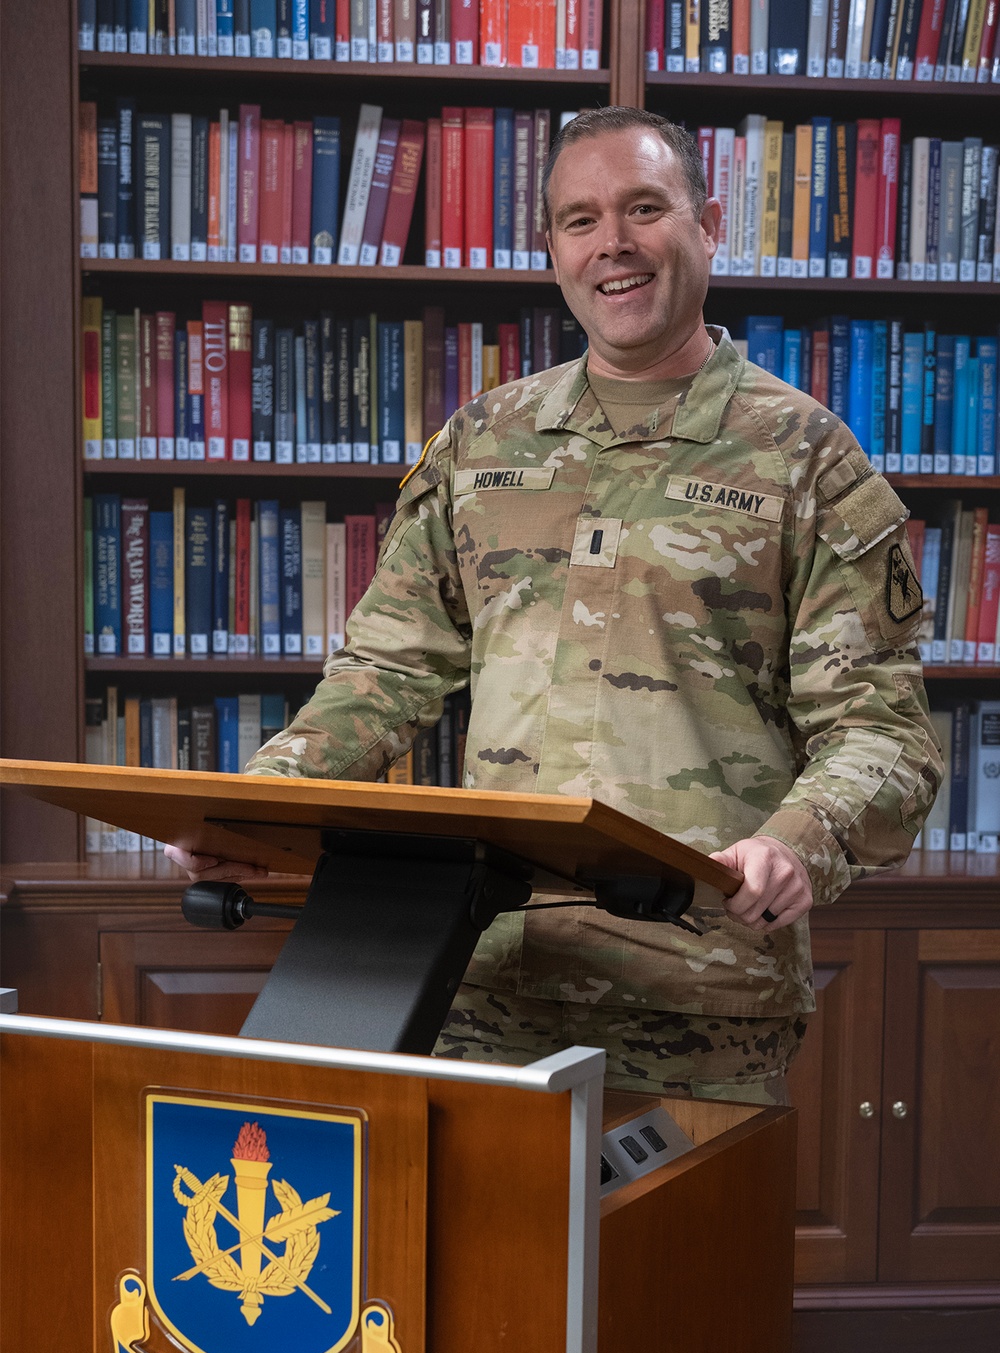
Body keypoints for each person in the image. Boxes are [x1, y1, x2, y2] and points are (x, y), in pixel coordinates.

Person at [166, 107, 940, 1104]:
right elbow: (384, 672)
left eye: (642, 209)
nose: (611, 243)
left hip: (699, 994)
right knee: (480, 1261)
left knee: (673, 1262)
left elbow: (884, 732)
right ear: (553, 251)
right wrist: (256, 812)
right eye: (579, 220)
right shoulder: (483, 442)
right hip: (481, 979)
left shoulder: (808, 459)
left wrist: (795, 841)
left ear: (708, 223)